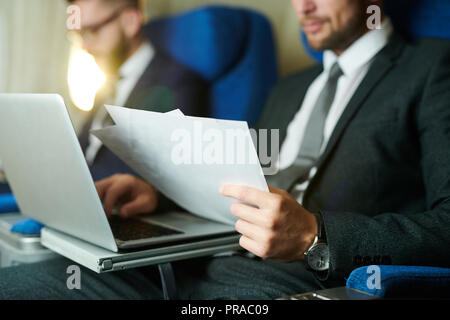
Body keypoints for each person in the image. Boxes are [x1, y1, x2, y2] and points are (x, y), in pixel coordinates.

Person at [1, 0, 450, 299]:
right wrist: (159, 194)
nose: (303, 7)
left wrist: (316, 237)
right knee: (18, 285)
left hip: (288, 280)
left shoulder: (431, 67)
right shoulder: (290, 88)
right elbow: (242, 182)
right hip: (187, 259)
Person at [70, 0, 209, 180]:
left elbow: (177, 179)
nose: (84, 46)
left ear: (130, 21)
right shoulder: (106, 88)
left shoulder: (178, 83)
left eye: (93, 31)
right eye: (79, 35)